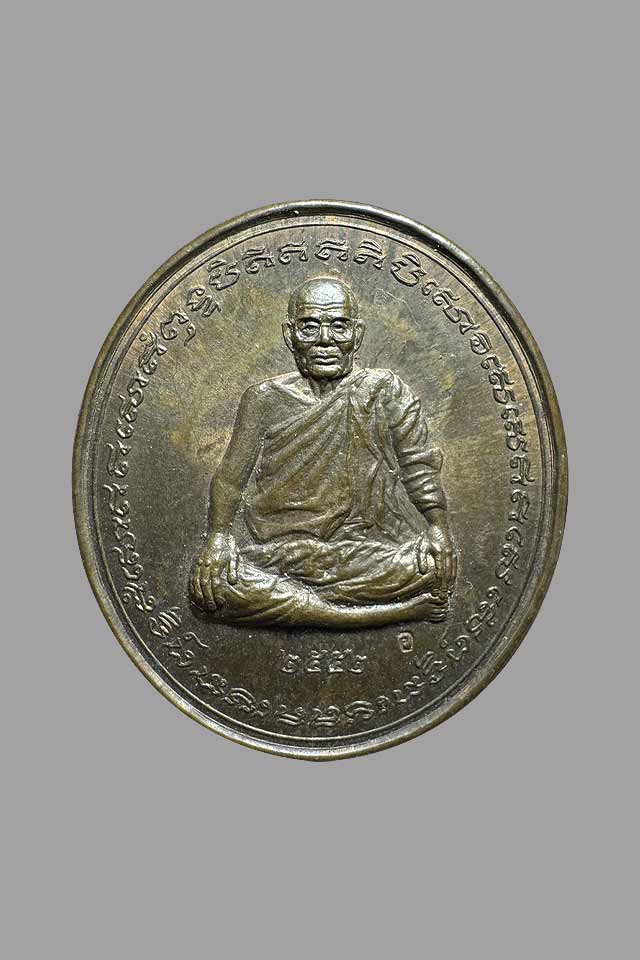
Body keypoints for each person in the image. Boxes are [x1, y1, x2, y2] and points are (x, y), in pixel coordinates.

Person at [190, 276, 457, 627]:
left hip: (364, 553)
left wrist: (438, 529)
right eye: (309, 327)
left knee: (433, 568)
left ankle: (310, 609)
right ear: (290, 335)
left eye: (339, 326)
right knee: (211, 588)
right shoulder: (264, 399)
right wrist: (218, 538)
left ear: (357, 335)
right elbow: (229, 480)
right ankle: (400, 612)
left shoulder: (383, 390)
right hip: (280, 556)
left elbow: (418, 464)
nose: (325, 340)